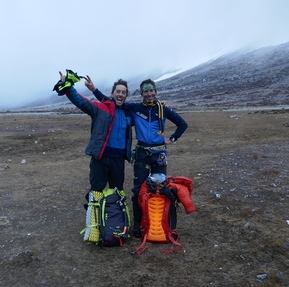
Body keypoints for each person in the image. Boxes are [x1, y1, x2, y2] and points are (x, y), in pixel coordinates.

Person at [91, 78, 188, 237]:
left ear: (155, 92)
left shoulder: (163, 109)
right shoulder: (135, 108)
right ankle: (137, 223)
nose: (149, 94)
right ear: (142, 93)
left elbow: (182, 124)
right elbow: (114, 101)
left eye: (151, 91)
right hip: (142, 153)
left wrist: (172, 139)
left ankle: (159, 222)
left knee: (160, 188)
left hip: (159, 154)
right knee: (138, 190)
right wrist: (94, 90)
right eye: (146, 91)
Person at [53, 70, 133, 201]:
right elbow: (81, 101)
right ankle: (94, 221)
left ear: (126, 96)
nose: (120, 94)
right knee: (96, 192)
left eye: (123, 92)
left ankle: (116, 220)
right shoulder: (100, 108)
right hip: (101, 158)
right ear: (112, 94)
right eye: (118, 91)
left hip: (118, 160)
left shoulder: (128, 114)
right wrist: (67, 86)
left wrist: (161, 105)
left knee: (117, 192)